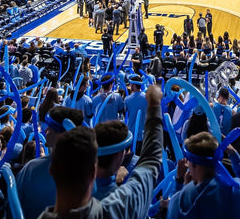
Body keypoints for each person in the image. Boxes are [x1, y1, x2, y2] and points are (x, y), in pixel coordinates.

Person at [38, 85, 163, 219]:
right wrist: (154, 105)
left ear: (52, 170)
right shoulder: (115, 209)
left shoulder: (32, 177)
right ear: (93, 172)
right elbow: (150, 162)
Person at [166, 131, 240, 219]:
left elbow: (174, 210)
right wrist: (234, 154)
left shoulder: (181, 202)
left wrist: (180, 183)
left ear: (193, 164)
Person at [17, 106, 84, 219]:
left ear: (62, 134)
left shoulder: (31, 169)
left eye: (51, 128)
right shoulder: (86, 172)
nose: (46, 130)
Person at [124, 76, 148, 155]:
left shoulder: (127, 99)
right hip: (144, 134)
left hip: (132, 134)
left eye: (130, 84)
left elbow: (124, 113)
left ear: (134, 85)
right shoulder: (147, 98)